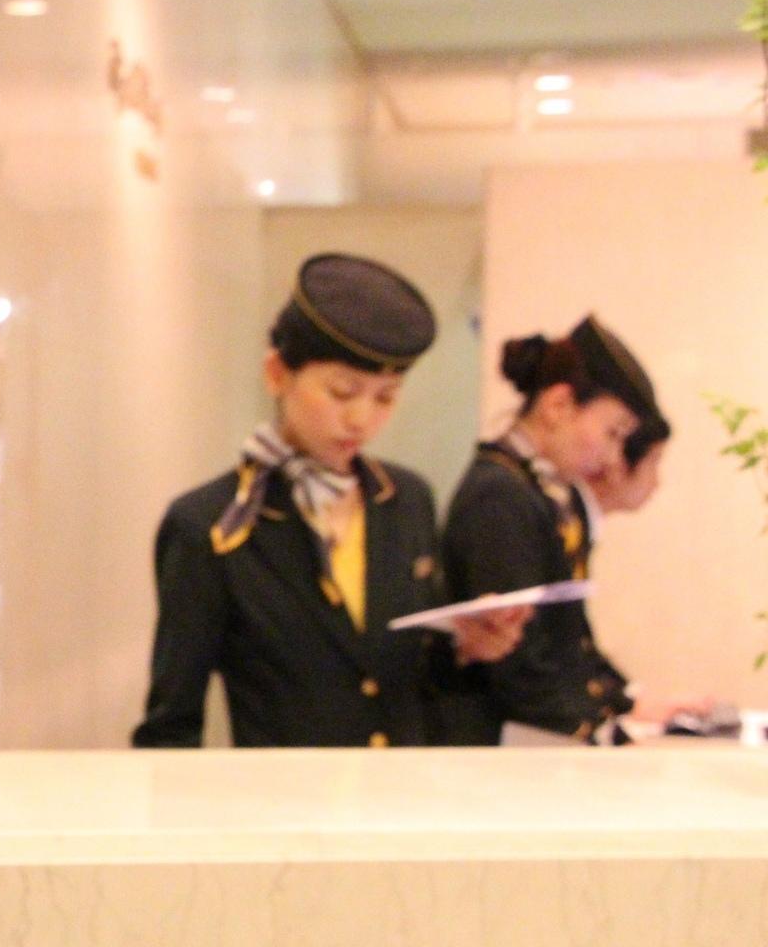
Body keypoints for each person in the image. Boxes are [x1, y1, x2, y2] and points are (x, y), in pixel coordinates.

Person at [133, 254, 527, 749]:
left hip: (398, 803)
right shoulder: (210, 525)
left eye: (385, 397)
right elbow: (172, 723)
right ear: (277, 374)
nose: (362, 419)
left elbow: (412, 674)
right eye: (342, 392)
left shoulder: (406, 500)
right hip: (285, 810)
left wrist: (469, 645)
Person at [441, 316, 673, 743]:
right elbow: (520, 659)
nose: (610, 456)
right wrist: (591, 731)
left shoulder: (542, 491)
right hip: (499, 742)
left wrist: (617, 706)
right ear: (558, 406)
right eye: (611, 432)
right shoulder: (499, 494)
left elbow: (570, 636)